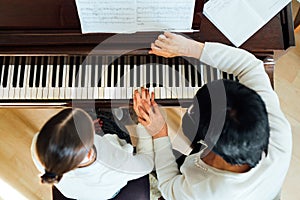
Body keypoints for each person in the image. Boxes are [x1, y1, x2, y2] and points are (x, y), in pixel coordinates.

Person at [133, 32, 292, 199]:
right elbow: (249, 66)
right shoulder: (276, 127)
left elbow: (168, 185)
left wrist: (160, 132)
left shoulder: (205, 192)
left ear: (208, 141)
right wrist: (190, 48)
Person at [31, 108, 154, 200]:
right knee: (106, 119)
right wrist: (143, 124)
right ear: (90, 153)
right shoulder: (115, 162)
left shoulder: (39, 147)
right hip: (108, 192)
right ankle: (116, 113)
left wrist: (84, 133)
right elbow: (147, 162)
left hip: (77, 192)